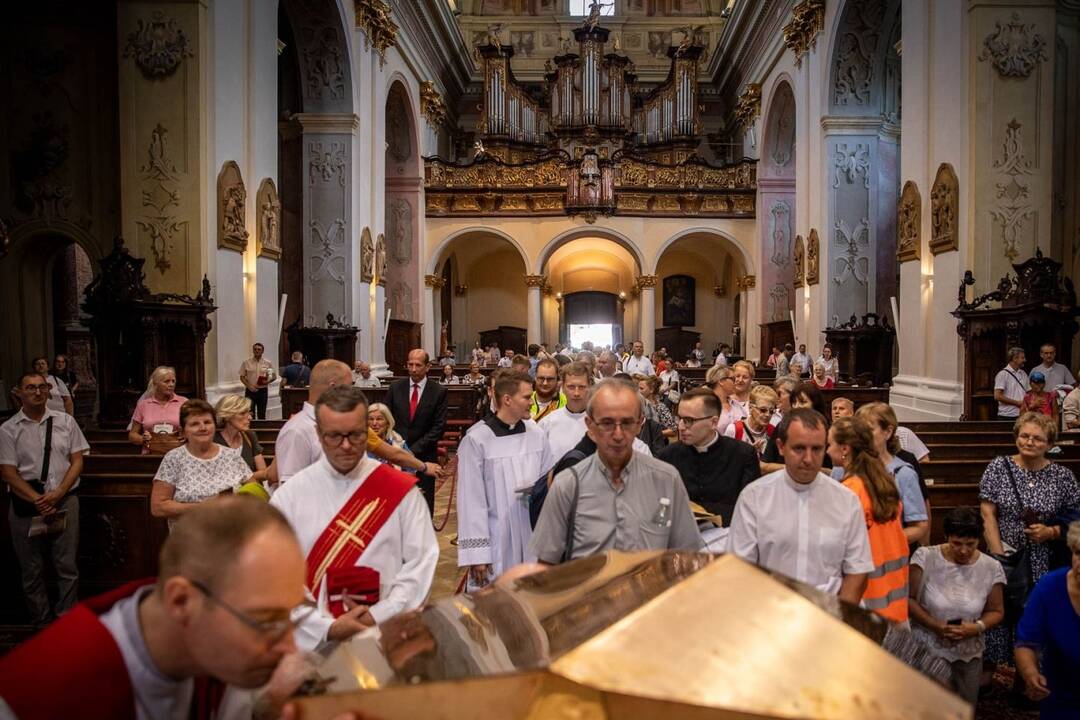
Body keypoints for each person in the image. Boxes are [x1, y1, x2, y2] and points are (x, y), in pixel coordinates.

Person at [0, 497, 334, 720]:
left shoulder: (215, 647)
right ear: (181, 601)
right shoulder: (40, 697)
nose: (289, 647)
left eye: (290, 617)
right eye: (266, 623)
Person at [271, 386, 438, 651]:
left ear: (369, 433)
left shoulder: (401, 491)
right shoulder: (289, 497)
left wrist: (378, 615)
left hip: (386, 635)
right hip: (312, 642)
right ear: (318, 434)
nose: (346, 445)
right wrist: (325, 626)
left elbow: (421, 563)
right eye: (335, 436)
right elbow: (276, 575)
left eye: (356, 435)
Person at [530, 379, 701, 563]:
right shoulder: (568, 485)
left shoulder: (666, 480)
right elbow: (547, 564)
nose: (618, 435)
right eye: (607, 423)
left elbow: (688, 554)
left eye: (627, 423)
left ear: (639, 424)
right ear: (590, 425)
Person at [729, 408, 874, 603]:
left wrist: (840, 619)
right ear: (781, 447)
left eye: (816, 449)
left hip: (828, 615)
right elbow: (739, 567)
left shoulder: (846, 501)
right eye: (799, 448)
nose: (808, 459)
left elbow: (857, 570)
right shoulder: (754, 498)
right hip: (771, 612)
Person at [979, 412, 1080, 671]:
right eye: (1024, 436)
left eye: (1037, 438)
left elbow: (1076, 516)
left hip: (1047, 558)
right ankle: (994, 669)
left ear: (1049, 443)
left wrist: (1052, 532)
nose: (1029, 442)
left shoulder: (1063, 476)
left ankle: (1028, 674)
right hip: (1006, 554)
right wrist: (999, 555)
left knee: (1038, 613)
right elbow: (988, 513)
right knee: (1002, 610)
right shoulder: (999, 467)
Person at [0, 370, 89, 629]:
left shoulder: (65, 422)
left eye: (42, 387)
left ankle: (66, 620)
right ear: (19, 393)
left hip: (65, 500)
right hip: (26, 504)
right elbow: (8, 472)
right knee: (31, 569)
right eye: (31, 388)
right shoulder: (8, 429)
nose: (38, 392)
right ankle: (41, 622)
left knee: (66, 566)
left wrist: (60, 492)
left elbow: (77, 460)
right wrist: (37, 499)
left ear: (49, 391)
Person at [457, 370, 553, 589]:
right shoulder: (477, 440)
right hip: (496, 536)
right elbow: (471, 501)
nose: (532, 402)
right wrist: (477, 555)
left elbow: (547, 480)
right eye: (527, 397)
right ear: (507, 399)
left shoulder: (535, 432)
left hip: (531, 532)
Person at [275, 359, 440, 485]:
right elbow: (290, 490)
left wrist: (423, 466)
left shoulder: (348, 424)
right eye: (349, 386)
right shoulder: (298, 431)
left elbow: (390, 452)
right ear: (333, 387)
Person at [908, 507, 1006, 704]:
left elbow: (996, 611)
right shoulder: (925, 557)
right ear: (946, 536)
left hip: (968, 652)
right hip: (928, 648)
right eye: (957, 543)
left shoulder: (991, 567)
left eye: (971, 544)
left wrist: (976, 627)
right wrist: (935, 625)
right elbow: (908, 600)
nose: (963, 550)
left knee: (963, 706)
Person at [827, 416, 910, 622]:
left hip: (866, 608)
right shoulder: (883, 483)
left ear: (845, 449)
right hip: (895, 602)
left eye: (829, 444)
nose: (827, 451)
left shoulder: (849, 493)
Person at [658, 388, 759, 526]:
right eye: (680, 419)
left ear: (713, 422)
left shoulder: (743, 455)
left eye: (688, 420)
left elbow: (750, 509)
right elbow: (661, 508)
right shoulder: (667, 456)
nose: (680, 427)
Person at [1014, 521, 1080, 718]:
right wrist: (1030, 674)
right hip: (1061, 699)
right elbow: (1025, 643)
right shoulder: (1050, 586)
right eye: (1078, 553)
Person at [152, 400, 253, 524]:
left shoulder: (231, 456)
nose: (203, 428)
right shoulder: (174, 458)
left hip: (230, 533)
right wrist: (204, 507)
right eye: (195, 424)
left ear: (215, 426)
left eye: (207, 422)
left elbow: (253, 491)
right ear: (183, 431)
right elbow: (158, 507)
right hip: (191, 536)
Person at [539, 363, 653, 463]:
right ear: (562, 387)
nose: (576, 393)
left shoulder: (604, 422)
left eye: (582, 387)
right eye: (571, 387)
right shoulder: (547, 423)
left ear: (589, 386)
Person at [856, 402, 930, 546]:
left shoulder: (904, 474)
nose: (862, 437)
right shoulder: (845, 468)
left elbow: (919, 526)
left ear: (888, 432)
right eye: (859, 431)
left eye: (869, 430)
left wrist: (881, 539)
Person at [387, 349, 448, 513]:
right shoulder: (395, 388)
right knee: (398, 504)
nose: (413, 369)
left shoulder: (438, 391)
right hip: (396, 456)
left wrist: (412, 451)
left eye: (418, 365)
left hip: (425, 455)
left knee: (424, 505)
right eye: (410, 365)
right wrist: (399, 449)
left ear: (428, 367)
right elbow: (388, 421)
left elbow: (438, 427)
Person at [128, 366, 187, 451]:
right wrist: (143, 439)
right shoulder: (143, 405)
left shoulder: (184, 403)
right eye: (167, 381)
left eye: (173, 381)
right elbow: (132, 435)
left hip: (177, 454)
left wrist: (187, 435)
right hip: (151, 455)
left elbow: (194, 428)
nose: (171, 384)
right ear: (155, 383)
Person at [214, 394, 269, 481]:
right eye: (242, 413)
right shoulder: (214, 441)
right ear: (227, 416)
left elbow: (263, 471)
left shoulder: (249, 436)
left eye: (249, 413)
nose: (250, 417)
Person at [723, 384, 777, 457]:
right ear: (750, 407)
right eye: (763, 410)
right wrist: (749, 455)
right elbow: (724, 461)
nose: (768, 415)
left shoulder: (773, 431)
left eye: (771, 411)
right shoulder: (735, 429)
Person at [366, 402, 414, 473]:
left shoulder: (399, 443)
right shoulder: (359, 445)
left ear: (388, 423)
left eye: (379, 419)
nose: (374, 423)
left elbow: (411, 472)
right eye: (371, 419)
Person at [239, 343, 274, 420]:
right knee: (250, 414)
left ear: (262, 351)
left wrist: (267, 381)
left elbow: (272, 377)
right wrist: (249, 386)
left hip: (262, 391)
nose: (257, 351)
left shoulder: (268, 363)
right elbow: (242, 377)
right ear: (253, 350)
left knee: (262, 413)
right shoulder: (246, 362)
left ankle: (261, 431)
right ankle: (252, 431)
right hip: (250, 391)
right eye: (255, 349)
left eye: (259, 349)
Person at [994, 346, 1030, 421]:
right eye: (1022, 358)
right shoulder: (1002, 374)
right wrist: (1017, 403)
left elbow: (1029, 391)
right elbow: (997, 396)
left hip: (1022, 414)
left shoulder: (1023, 373)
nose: (1025, 360)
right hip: (1007, 415)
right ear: (1015, 358)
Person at [704, 364, 737, 436]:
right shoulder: (706, 406)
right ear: (721, 381)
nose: (736, 382)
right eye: (733, 379)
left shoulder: (736, 404)